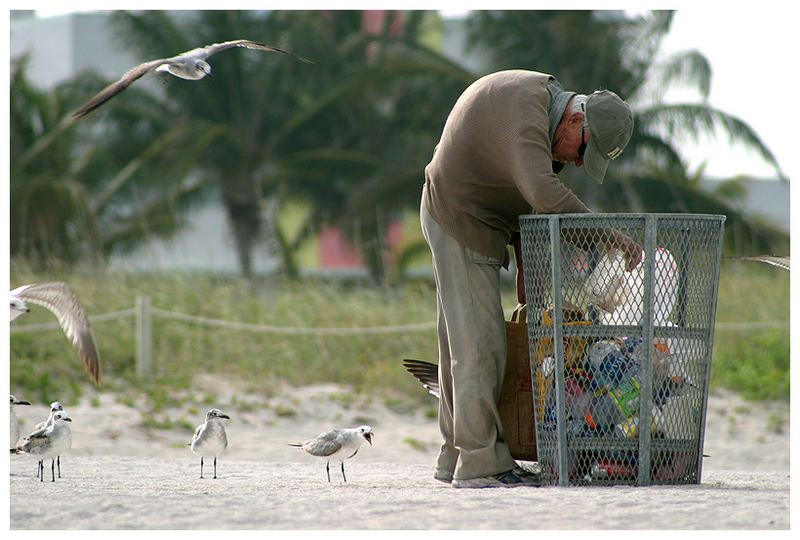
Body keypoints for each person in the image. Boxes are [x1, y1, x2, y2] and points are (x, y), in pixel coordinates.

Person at [420, 69, 641, 488]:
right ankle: (482, 463)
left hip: (468, 217)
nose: (577, 162)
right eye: (583, 152)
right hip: (461, 218)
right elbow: (542, 194)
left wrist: (529, 274)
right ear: (576, 121)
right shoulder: (528, 109)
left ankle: (455, 456)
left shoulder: (544, 116)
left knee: (461, 344)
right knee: (481, 346)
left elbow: (526, 203)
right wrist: (614, 238)